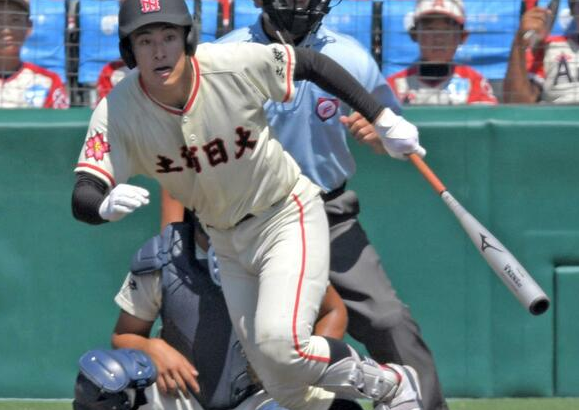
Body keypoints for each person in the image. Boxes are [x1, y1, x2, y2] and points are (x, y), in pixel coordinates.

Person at [71, 0, 426, 408]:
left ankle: (390, 382)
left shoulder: (227, 62)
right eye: (145, 40)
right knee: (282, 382)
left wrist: (381, 116)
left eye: (169, 37)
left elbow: (309, 63)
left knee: (281, 344)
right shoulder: (118, 110)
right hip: (225, 239)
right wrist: (101, 205)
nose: (158, 51)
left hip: (283, 214)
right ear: (129, 50)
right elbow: (84, 190)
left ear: (186, 39)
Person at [81, 213, 362, 410]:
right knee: (103, 383)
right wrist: (151, 347)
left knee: (339, 404)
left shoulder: (278, 252)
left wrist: (294, 368)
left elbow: (333, 311)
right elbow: (123, 335)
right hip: (180, 396)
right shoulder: (163, 259)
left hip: (261, 397)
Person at [387, 0, 497, 105]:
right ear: (414, 35)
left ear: (462, 37)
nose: (438, 39)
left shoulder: (474, 82)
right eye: (429, 29)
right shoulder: (393, 86)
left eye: (447, 30)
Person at [503, 0, 579, 103]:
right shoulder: (550, 48)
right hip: (559, 117)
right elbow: (517, 106)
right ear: (572, 11)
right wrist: (520, 40)